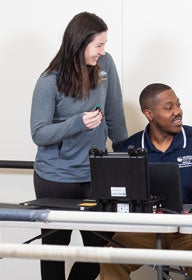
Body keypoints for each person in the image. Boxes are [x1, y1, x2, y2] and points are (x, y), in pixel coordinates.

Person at [30, 12, 127, 280]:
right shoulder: (49, 80)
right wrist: (77, 123)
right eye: (98, 45)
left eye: (105, 44)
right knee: (53, 252)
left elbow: (115, 112)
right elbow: (39, 133)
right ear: (79, 43)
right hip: (55, 178)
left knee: (101, 249)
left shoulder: (105, 64)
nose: (102, 51)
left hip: (95, 175)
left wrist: (126, 159)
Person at [100, 83, 192, 280]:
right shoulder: (129, 146)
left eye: (178, 105)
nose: (178, 111)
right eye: (169, 107)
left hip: (188, 227)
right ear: (149, 114)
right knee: (110, 256)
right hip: (145, 227)